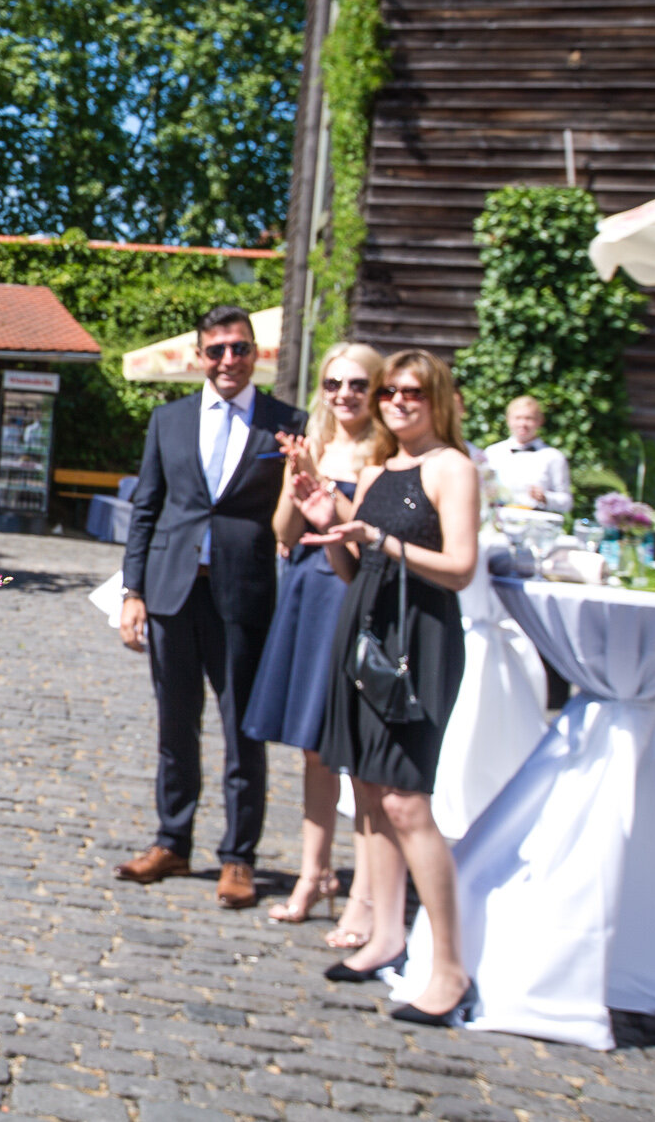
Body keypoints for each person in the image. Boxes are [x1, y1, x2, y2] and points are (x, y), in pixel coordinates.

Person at [295, 348, 481, 1027]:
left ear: (438, 400)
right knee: (369, 790)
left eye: (414, 392)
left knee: (406, 800)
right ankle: (384, 936)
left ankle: (449, 966)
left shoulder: (450, 468)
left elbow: (460, 567)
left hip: (419, 640)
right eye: (389, 393)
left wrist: (378, 535)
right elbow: (351, 567)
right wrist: (330, 523)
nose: (399, 402)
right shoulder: (376, 469)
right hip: (366, 631)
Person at [116, 305, 307, 908]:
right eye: (218, 349)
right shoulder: (168, 421)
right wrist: (133, 591)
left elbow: (296, 511)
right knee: (176, 726)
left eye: (241, 349)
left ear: (257, 355)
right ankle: (172, 841)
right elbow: (147, 509)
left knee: (241, 730)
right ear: (200, 356)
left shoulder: (286, 423)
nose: (229, 360)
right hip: (172, 592)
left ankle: (238, 857)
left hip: (244, 594)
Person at [244, 343, 385, 944]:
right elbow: (282, 532)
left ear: (376, 388)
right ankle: (313, 872)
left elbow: (371, 539)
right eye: (332, 384)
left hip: (352, 593)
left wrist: (331, 497)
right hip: (305, 587)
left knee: (352, 750)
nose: (343, 394)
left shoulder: (386, 449)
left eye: (356, 384)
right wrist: (297, 481)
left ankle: (366, 892)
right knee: (311, 747)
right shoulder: (313, 442)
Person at [484, 395, 570, 514]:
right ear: (508, 420)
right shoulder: (492, 452)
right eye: (517, 418)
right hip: (499, 520)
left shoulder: (553, 457)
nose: (522, 423)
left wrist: (545, 497)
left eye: (529, 418)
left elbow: (566, 502)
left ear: (540, 421)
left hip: (537, 524)